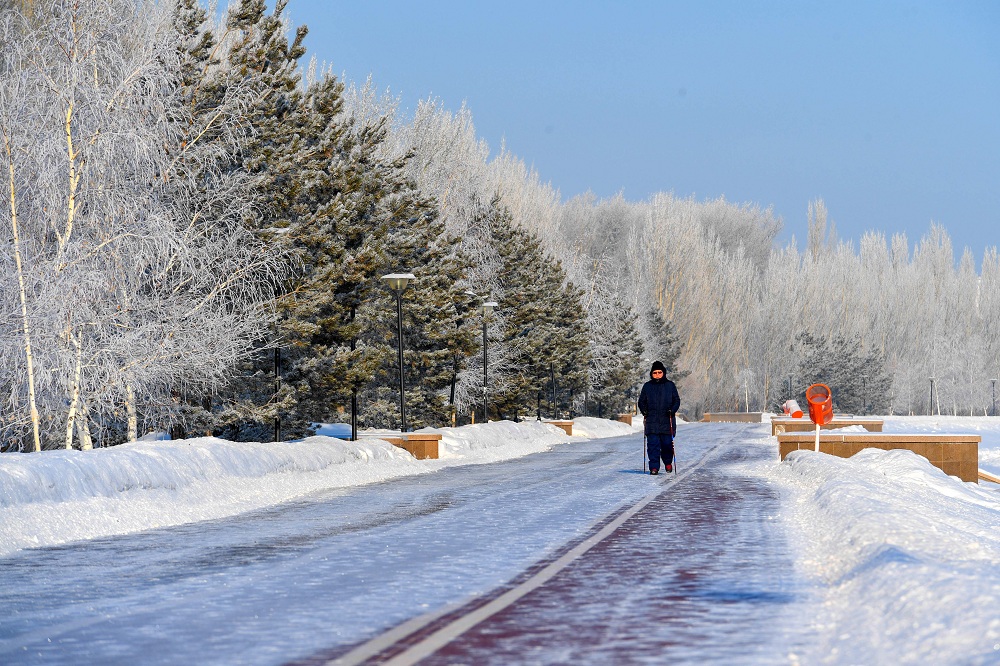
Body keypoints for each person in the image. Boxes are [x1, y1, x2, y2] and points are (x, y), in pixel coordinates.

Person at [638, 360, 680, 475]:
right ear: (651, 374)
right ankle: (654, 467)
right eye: (655, 372)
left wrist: (672, 410)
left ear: (663, 373)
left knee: (667, 445)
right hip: (652, 421)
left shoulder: (670, 385)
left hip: (667, 420)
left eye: (659, 372)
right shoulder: (647, 386)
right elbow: (641, 401)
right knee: (653, 446)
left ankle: (667, 462)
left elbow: (676, 400)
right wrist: (644, 410)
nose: (657, 374)